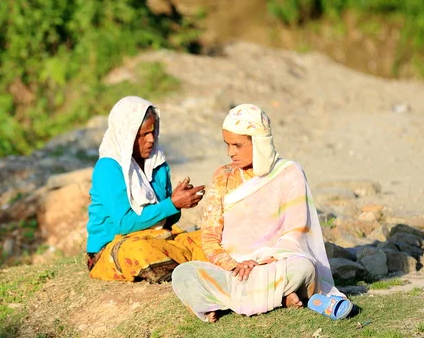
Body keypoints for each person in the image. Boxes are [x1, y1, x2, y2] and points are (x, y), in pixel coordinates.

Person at [172, 104, 345, 322]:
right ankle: (279, 298)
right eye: (227, 144)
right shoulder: (222, 176)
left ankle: (233, 301)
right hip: (234, 272)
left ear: (259, 142)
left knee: (304, 268)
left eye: (237, 145)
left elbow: (296, 232)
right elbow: (209, 238)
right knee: (183, 274)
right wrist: (235, 266)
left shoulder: (289, 173)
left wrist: (262, 263)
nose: (230, 152)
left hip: (273, 265)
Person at [86, 96, 207, 282]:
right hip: (114, 246)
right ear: (126, 136)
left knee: (208, 238)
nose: (150, 140)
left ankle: (183, 262)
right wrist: (171, 204)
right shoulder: (108, 168)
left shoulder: (157, 164)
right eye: (142, 135)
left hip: (157, 237)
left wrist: (179, 203)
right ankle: (185, 264)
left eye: (152, 132)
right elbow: (125, 224)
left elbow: (167, 221)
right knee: (138, 252)